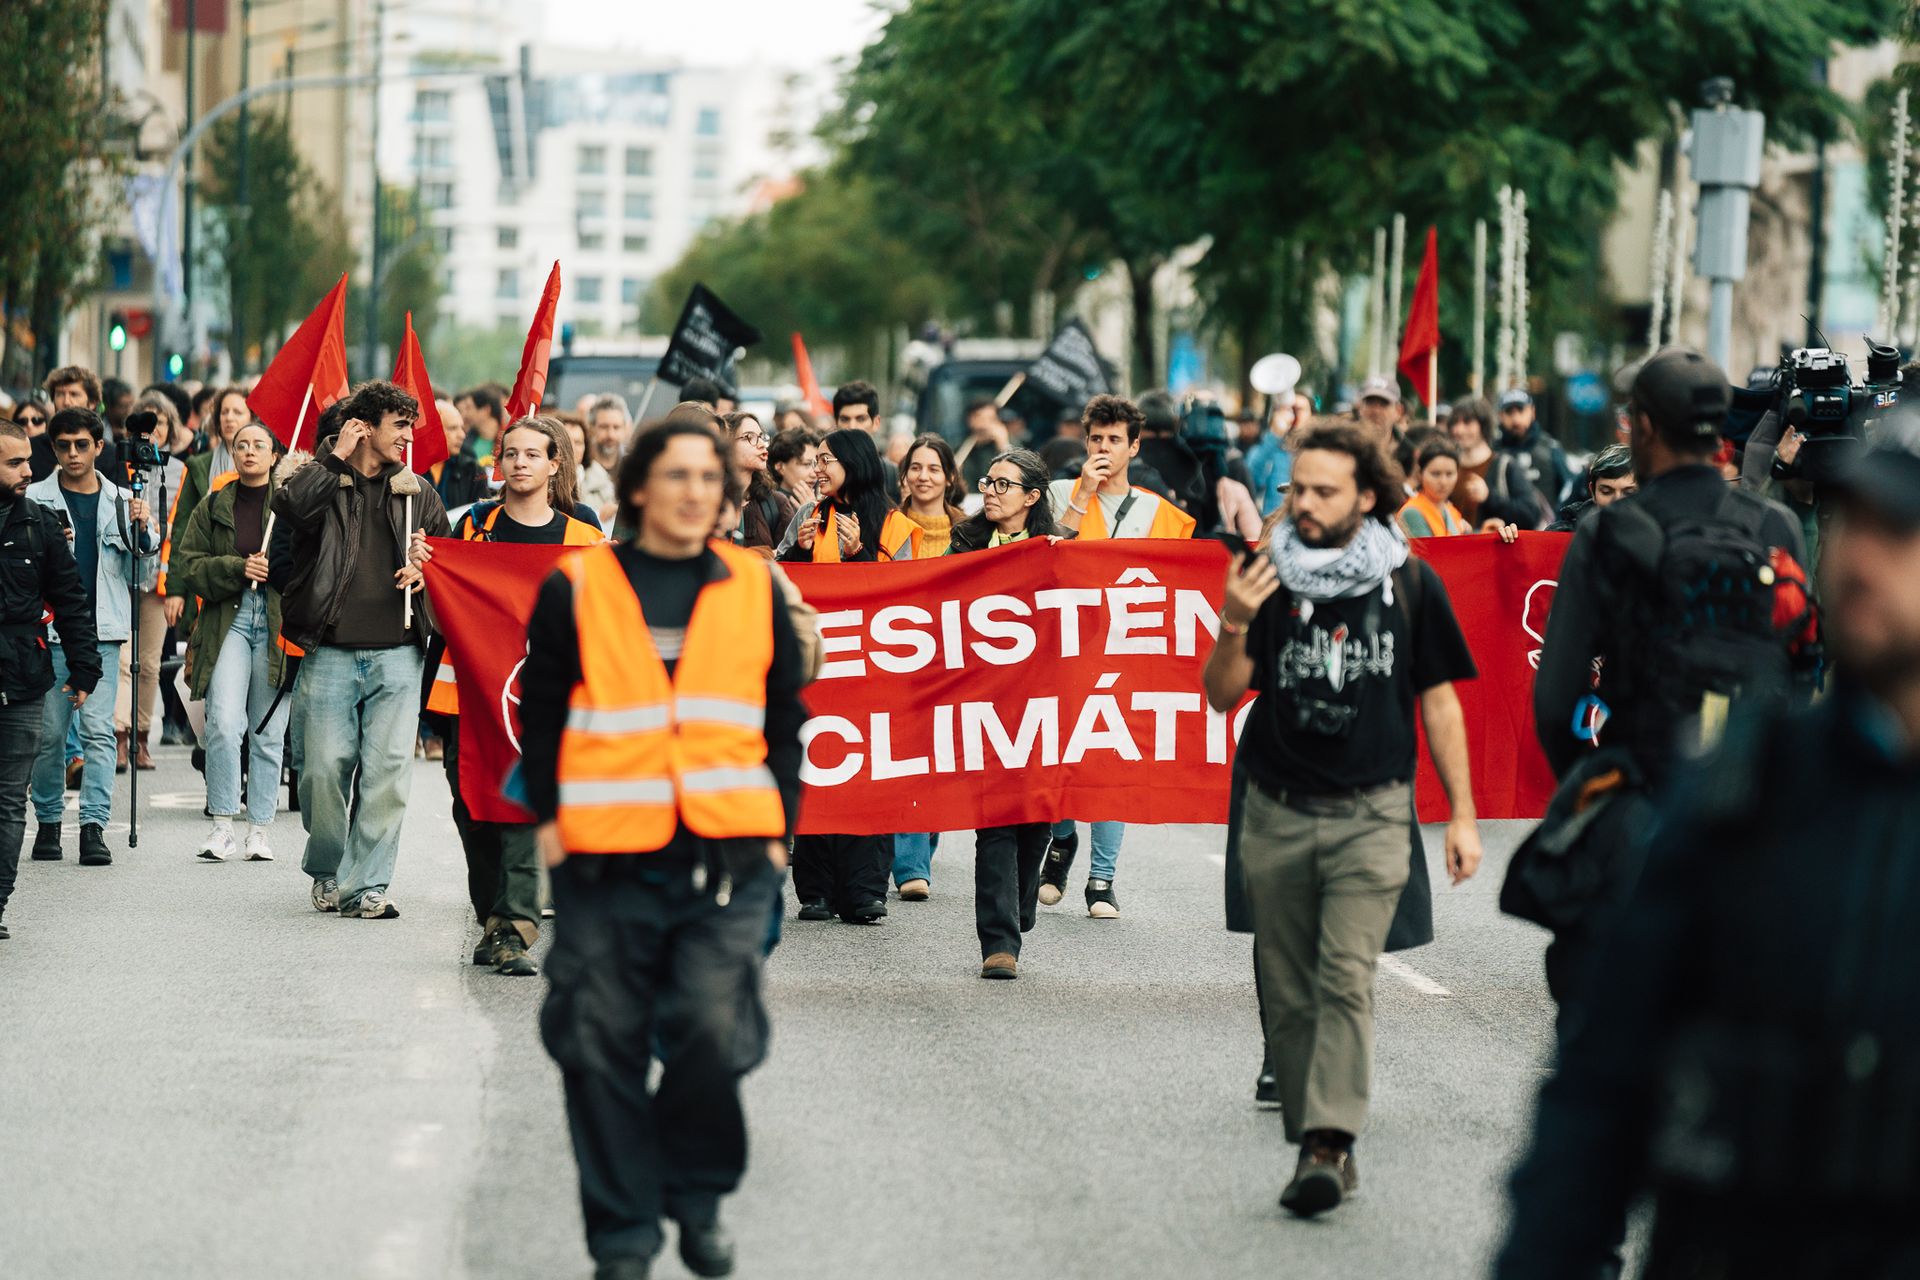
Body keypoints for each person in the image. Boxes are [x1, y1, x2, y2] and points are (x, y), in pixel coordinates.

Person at [1496, 413, 1920, 1280]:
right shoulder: (1746, 792)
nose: (1863, 560)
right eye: (1857, 524)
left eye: (1902, 533)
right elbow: (1599, 1091)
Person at [519, 417, 803, 1280]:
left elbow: (786, 720)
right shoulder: (578, 588)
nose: (693, 493)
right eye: (676, 476)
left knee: (712, 1031)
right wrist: (552, 831)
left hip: (730, 858)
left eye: (708, 479)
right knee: (600, 1043)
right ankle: (624, 1239)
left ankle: (699, 1191)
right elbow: (543, 718)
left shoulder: (755, 589)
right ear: (639, 487)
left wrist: (783, 834)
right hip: (608, 859)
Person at [1202, 422, 1482, 1218]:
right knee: (1288, 993)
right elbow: (1222, 694)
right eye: (1297, 490)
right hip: (1277, 809)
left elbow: (1439, 701)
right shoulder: (1266, 577)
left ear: (1367, 496)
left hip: (1373, 814)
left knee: (1344, 977)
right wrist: (1231, 620)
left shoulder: (1410, 582)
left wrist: (1460, 815)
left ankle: (1328, 1143)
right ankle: (1312, 1128)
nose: (1307, 505)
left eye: (1326, 492)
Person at [1526, 347, 1811, 1040]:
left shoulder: (1606, 530)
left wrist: (1595, 786)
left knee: (1604, 1032)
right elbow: (1804, 673)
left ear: (1642, 428)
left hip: (1637, 797)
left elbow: (1555, 699)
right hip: (1744, 814)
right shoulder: (1774, 527)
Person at [422, 416, 601, 975]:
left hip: (542, 699)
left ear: (554, 465)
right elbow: (439, 613)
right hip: (467, 694)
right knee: (473, 807)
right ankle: (494, 919)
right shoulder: (472, 527)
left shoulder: (586, 539)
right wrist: (426, 573)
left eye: (532, 454)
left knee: (524, 805)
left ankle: (516, 928)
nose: (519, 463)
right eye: (511, 453)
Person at [276, 380, 450, 919]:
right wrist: (334, 457)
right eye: (399, 426)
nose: (408, 438)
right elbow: (291, 511)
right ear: (364, 426)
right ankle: (328, 867)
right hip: (329, 649)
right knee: (322, 769)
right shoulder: (324, 480)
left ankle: (366, 885)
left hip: (399, 653)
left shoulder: (418, 491)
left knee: (389, 773)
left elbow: (447, 563)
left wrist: (426, 569)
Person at [1041, 393, 1196, 918]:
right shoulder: (1061, 492)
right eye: (1096, 439)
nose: (1103, 448)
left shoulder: (1160, 513)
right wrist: (1082, 494)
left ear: (1134, 446)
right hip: (1064, 651)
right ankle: (1062, 839)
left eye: (1114, 440)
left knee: (1112, 764)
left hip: (1126, 655)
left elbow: (1179, 586)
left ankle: (1102, 879)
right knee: (1058, 755)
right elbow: (1044, 554)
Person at [26, 408, 158, 867]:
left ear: (99, 447)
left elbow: (145, 573)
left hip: (103, 631)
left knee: (101, 733)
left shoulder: (125, 500)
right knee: (50, 736)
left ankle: (93, 827)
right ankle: (47, 820)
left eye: (82, 445)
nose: (73, 454)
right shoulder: (36, 499)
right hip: (50, 632)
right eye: (63, 446)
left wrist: (143, 528)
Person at [948, 449, 1060, 977]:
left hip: (1043, 704)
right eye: (987, 482)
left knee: (1034, 817)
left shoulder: (1061, 550)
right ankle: (999, 943)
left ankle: (1018, 906)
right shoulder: (965, 543)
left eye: (1002, 484)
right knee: (994, 819)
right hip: (984, 703)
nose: (989, 491)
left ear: (1031, 498)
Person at [171, 421, 292, 862]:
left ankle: (259, 829)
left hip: (277, 624)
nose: (249, 452)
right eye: (241, 445)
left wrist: (274, 569)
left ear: (275, 455)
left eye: (259, 445)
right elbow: (189, 565)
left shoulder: (290, 506)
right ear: (232, 452)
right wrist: (237, 567)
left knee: (267, 730)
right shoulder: (214, 504)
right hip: (229, 619)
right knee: (222, 722)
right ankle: (222, 824)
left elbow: (311, 564)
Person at [0, 421, 99, 937]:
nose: (28, 470)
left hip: (22, 680)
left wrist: (85, 667)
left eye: (26, 461)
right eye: (14, 463)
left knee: (8, 799)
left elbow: (70, 601)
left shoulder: (40, 525)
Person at [115, 393, 186, 771]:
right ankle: (119, 737)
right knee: (122, 660)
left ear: (170, 429)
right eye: (145, 426)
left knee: (150, 663)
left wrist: (176, 586)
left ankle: (142, 736)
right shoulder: (117, 465)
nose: (152, 434)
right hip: (119, 576)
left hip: (157, 578)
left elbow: (185, 529)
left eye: (159, 425)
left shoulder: (180, 471)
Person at [778, 428, 888, 566]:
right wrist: (800, 550)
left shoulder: (892, 522)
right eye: (816, 461)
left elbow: (902, 583)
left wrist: (857, 552)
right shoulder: (809, 513)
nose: (816, 470)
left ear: (853, 463)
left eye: (825, 460)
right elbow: (778, 575)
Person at [1447, 396, 1544, 529]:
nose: (1459, 430)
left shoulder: (1504, 465)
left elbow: (1530, 515)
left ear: (1483, 425)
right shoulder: (1448, 466)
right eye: (1455, 423)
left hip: (1492, 548)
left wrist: (1489, 497)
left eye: (1467, 422)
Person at [879, 434, 964, 562]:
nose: (923, 477)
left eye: (933, 469)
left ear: (950, 477)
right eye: (915, 468)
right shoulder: (886, 526)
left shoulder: (968, 531)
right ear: (905, 474)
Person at [1496, 388, 1577, 511]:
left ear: (1532, 412)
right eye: (1509, 412)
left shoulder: (1551, 448)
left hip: (1546, 527)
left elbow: (1570, 490)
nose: (1516, 419)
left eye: (1520, 410)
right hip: (1503, 527)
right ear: (1500, 416)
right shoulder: (1493, 452)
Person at [722, 412, 779, 553]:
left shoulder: (775, 503)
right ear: (726, 445)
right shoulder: (711, 501)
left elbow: (791, 560)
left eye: (761, 437)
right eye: (749, 437)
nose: (761, 445)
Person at [1546, 443, 1635, 532]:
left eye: (1629, 493)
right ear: (1592, 492)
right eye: (1606, 492)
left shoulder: (1648, 538)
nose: (1617, 500)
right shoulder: (1562, 534)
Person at [1397, 437, 1471, 537]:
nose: (1443, 482)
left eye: (1449, 474)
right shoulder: (1412, 512)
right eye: (1436, 474)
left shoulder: (1451, 511)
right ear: (1420, 474)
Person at [1246, 391, 1301, 516]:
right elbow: (1250, 480)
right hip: (1271, 527)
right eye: (1286, 410)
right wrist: (1274, 435)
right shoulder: (1270, 447)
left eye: (1297, 410)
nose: (1291, 416)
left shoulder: (1313, 452)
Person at [430, 398, 491, 512]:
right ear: (432, 430)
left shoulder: (472, 470)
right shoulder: (410, 468)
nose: (462, 435)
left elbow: (484, 514)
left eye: (462, 428)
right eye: (453, 428)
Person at [765, 427, 817, 543]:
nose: (815, 473)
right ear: (780, 467)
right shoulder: (767, 504)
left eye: (816, 464)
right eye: (806, 464)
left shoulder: (824, 495)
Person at [567, 411, 617, 524]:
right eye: (568, 442)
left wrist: (615, 510)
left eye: (578, 442)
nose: (573, 448)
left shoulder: (602, 483)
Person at [957, 398, 1011, 489]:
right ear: (969, 420)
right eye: (980, 417)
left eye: (991, 418)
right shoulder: (960, 450)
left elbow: (1015, 474)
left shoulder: (1008, 445)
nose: (986, 423)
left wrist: (1003, 445)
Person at [455, 384, 507, 469]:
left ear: (486, 410)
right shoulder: (464, 440)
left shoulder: (508, 441)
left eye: (469, 408)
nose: (465, 414)